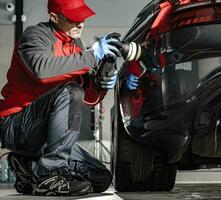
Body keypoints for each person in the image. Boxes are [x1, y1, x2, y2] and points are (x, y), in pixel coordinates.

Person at [0, 0, 132, 196]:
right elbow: (43, 71)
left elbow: (86, 97)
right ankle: (50, 175)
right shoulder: (35, 35)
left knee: (100, 178)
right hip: (18, 126)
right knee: (70, 91)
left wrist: (99, 84)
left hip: (45, 136)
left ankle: (28, 168)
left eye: (82, 19)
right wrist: (92, 56)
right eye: (73, 19)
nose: (80, 24)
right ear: (54, 17)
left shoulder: (75, 44)